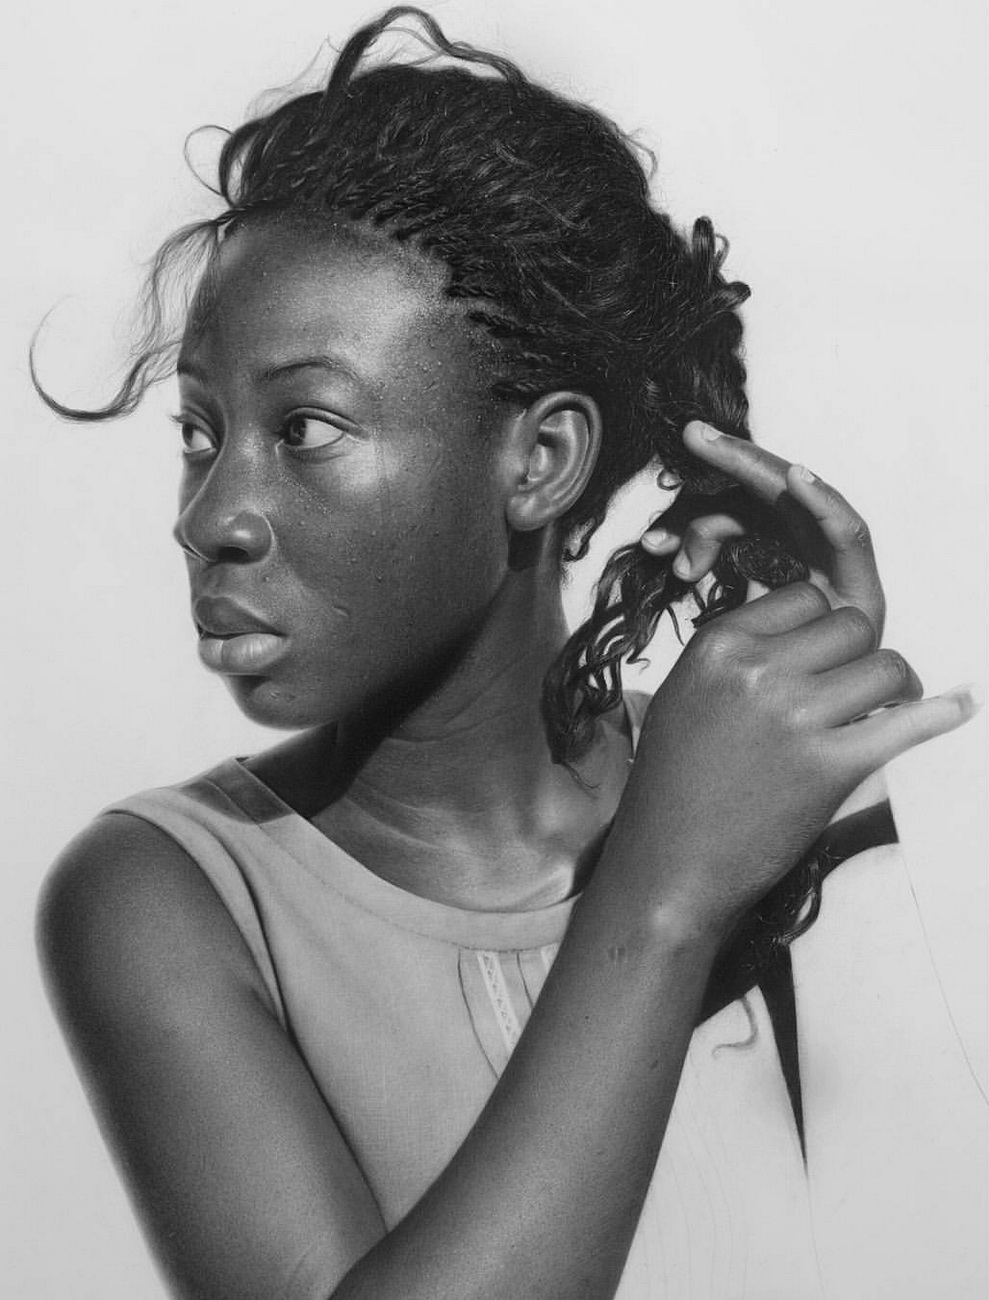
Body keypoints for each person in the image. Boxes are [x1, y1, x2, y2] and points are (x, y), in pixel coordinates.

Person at [33, 8, 981, 1299]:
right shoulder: (170, 896)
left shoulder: (785, 794)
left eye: (303, 429)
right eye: (200, 435)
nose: (210, 518)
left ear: (539, 461)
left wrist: (815, 738)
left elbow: (927, 1243)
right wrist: (661, 893)